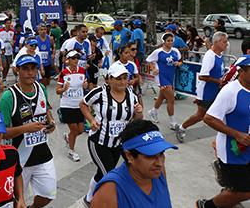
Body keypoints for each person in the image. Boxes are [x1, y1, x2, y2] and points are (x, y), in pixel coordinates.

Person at [80, 64, 143, 206]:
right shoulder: (99, 93)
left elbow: (137, 119)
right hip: (98, 142)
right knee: (110, 175)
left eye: (125, 78)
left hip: (117, 144)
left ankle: (89, 199)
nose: (122, 82)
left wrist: (139, 112)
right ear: (109, 79)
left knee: (101, 173)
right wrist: (91, 120)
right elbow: (83, 104)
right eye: (118, 78)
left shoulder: (132, 97)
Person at [0, 55, 57, 208]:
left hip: (42, 153)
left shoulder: (41, 88)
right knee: (16, 202)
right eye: (25, 69)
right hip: (19, 158)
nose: (30, 73)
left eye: (33, 68)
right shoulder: (8, 97)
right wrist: (26, 129)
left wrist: (50, 122)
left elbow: (46, 110)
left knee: (48, 193)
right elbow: (1, 132)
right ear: (17, 70)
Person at [197, 55, 250, 208]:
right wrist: (237, 134)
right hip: (232, 150)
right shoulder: (230, 92)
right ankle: (205, 205)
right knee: (244, 191)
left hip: (247, 150)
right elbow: (209, 118)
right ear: (242, 71)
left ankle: (228, 191)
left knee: (239, 187)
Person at [91, 120, 178, 208]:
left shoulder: (158, 172)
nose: (160, 163)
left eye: (161, 153)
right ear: (129, 156)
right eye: (150, 156)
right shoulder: (110, 190)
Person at [176, 32, 228, 143]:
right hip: (206, 92)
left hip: (216, 91)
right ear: (217, 42)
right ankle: (182, 127)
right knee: (200, 116)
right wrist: (218, 81)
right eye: (224, 42)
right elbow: (203, 76)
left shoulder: (220, 55)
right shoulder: (210, 56)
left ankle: (223, 139)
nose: (227, 44)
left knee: (221, 115)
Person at [146, 33, 183, 130]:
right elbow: (149, 60)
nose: (170, 42)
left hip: (171, 77)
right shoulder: (158, 52)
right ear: (164, 41)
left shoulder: (175, 51)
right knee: (171, 99)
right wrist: (153, 68)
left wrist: (178, 63)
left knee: (161, 97)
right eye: (168, 41)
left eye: (171, 40)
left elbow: (180, 60)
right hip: (161, 77)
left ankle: (153, 112)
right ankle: (173, 122)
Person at [56, 50, 87, 162]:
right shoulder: (64, 73)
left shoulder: (83, 71)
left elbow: (85, 85)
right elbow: (57, 91)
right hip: (67, 105)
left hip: (79, 105)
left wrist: (85, 85)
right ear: (68, 60)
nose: (76, 60)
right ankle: (71, 151)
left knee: (80, 130)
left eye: (77, 58)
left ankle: (68, 137)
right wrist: (63, 89)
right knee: (74, 130)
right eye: (73, 58)